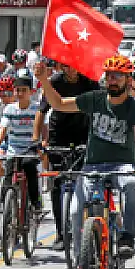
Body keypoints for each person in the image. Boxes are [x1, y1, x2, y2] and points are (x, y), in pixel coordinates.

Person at [36, 56, 135, 259]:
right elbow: (59, 103)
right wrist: (44, 80)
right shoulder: (95, 99)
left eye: (117, 76)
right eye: (109, 76)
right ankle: (81, 259)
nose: (112, 80)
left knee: (134, 185)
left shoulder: (133, 108)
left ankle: (127, 236)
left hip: (122, 166)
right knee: (75, 211)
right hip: (92, 167)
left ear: (127, 79)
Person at [36, 62, 98, 249]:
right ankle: (61, 233)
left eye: (73, 66)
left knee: (85, 180)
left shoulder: (90, 83)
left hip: (83, 133)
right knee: (57, 184)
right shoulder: (55, 81)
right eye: (66, 67)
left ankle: (86, 226)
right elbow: (42, 110)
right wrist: (36, 139)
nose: (71, 70)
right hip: (58, 134)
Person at [0, 71, 43, 217]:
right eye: (17, 90)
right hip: (14, 150)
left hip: (30, 150)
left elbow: (44, 129)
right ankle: (6, 202)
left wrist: (43, 145)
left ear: (31, 92)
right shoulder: (10, 109)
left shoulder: (37, 109)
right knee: (8, 173)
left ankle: (35, 202)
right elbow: (3, 129)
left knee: (29, 167)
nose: (20, 93)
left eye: (23, 90)